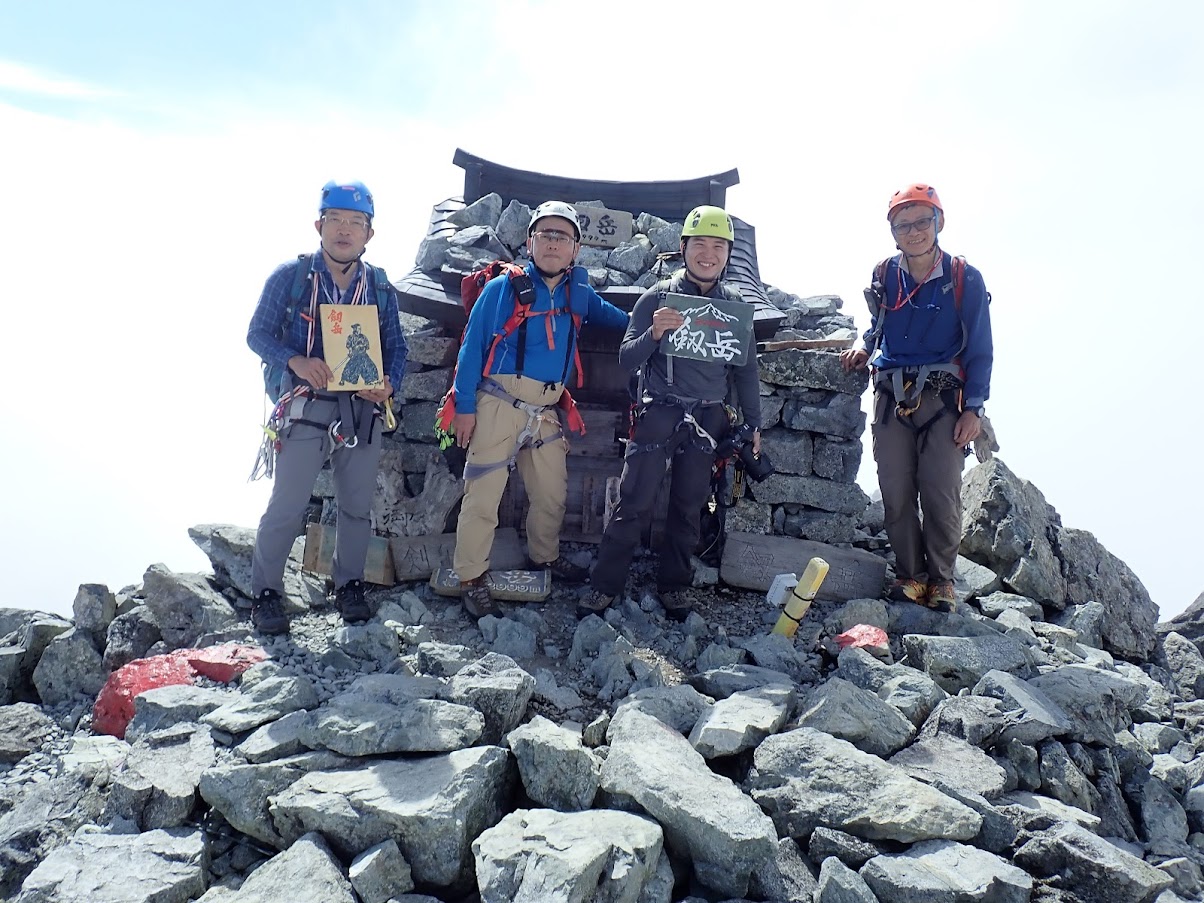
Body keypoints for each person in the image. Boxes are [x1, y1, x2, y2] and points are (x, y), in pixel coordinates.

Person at [582, 205, 762, 621]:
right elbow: (627, 358)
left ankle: (675, 586)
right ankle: (604, 585)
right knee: (633, 501)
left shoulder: (735, 308)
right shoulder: (657, 298)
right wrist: (654, 332)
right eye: (700, 243)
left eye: (719, 246)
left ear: (728, 254)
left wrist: (753, 423)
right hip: (659, 412)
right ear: (683, 247)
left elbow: (746, 370)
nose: (709, 253)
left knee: (689, 505)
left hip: (709, 419)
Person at [451, 201, 629, 618]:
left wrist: (655, 324)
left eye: (562, 236)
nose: (553, 242)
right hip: (498, 401)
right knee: (483, 494)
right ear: (530, 242)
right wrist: (463, 406)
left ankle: (543, 557)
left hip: (546, 408)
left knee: (551, 492)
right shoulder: (502, 289)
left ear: (576, 248)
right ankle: (471, 577)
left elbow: (623, 322)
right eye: (545, 234)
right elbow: (472, 347)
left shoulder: (577, 295)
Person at [246, 180, 406, 634]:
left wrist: (389, 384)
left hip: (361, 409)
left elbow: (396, 347)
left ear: (369, 234)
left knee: (356, 505)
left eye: (356, 223)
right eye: (336, 220)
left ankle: (349, 585)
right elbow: (257, 333)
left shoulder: (378, 285)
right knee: (287, 503)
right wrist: (295, 360)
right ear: (319, 224)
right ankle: (266, 594)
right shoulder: (291, 278)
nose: (345, 230)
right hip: (305, 405)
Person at [840, 183, 993, 611]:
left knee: (941, 492)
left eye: (922, 221)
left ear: (938, 223)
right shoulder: (885, 273)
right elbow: (879, 323)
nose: (913, 232)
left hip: (943, 401)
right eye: (903, 224)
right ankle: (911, 576)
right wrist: (864, 347)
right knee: (896, 489)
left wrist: (974, 408)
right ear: (892, 231)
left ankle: (942, 580)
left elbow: (980, 347)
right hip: (891, 396)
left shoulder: (964, 277)